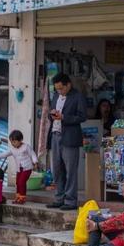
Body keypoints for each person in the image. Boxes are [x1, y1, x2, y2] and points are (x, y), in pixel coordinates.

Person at [46, 73, 87, 211]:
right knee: (57, 170)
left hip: (70, 137)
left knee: (70, 171)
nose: (59, 91)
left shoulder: (77, 96)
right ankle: (59, 198)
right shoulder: (56, 96)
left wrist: (64, 117)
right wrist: (51, 115)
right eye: (57, 89)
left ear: (68, 84)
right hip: (55, 135)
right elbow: (50, 114)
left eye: (61, 88)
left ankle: (70, 200)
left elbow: (82, 117)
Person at [0, 130, 38, 205]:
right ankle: (18, 197)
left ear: (20, 140)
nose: (13, 144)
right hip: (19, 169)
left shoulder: (26, 147)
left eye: (14, 142)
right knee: (17, 183)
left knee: (21, 182)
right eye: (11, 142)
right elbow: (5, 154)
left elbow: (32, 154)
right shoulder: (12, 149)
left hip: (27, 168)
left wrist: (35, 162)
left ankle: (22, 198)